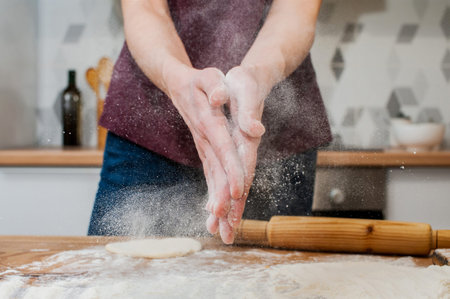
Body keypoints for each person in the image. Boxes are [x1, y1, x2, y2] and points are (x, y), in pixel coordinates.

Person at [88, 0, 331, 244]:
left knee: (278, 279)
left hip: (276, 138)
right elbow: (146, 8)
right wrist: (175, 75)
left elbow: (295, 10)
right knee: (115, 276)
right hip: (149, 134)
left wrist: (259, 73)